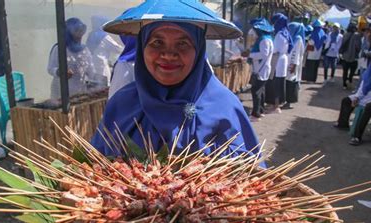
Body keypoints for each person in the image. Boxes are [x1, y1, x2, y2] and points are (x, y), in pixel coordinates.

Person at [91, 0, 263, 159]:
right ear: (142, 46)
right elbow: (94, 169)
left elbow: (250, 180)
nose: (168, 54)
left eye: (182, 44)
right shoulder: (122, 104)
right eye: (157, 42)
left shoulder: (225, 109)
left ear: (198, 50)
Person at [47, 17, 98, 99]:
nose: (80, 35)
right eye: (76, 32)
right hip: (60, 94)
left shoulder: (85, 50)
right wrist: (60, 72)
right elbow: (50, 68)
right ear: (68, 33)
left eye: (81, 32)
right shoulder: (59, 48)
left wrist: (99, 81)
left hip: (79, 93)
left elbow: (91, 71)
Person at [86, 15, 124, 88]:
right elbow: (117, 49)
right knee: (104, 88)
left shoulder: (91, 35)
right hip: (102, 67)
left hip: (92, 67)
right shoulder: (104, 37)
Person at [265, 13, 292, 114]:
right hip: (283, 59)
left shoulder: (279, 34)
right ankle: (275, 104)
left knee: (276, 82)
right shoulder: (286, 33)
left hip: (278, 59)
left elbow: (275, 49)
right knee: (279, 81)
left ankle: (276, 106)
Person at [248, 18, 274, 121]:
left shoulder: (264, 40)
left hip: (261, 69)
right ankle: (261, 110)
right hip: (263, 69)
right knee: (261, 91)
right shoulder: (268, 38)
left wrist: (250, 55)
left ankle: (256, 114)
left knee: (256, 91)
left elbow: (263, 54)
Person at [284, 22, 305, 110]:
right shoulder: (293, 38)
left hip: (293, 64)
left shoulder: (297, 39)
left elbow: (295, 54)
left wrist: (293, 65)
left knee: (291, 81)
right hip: (290, 63)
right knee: (289, 81)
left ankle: (289, 102)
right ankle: (287, 101)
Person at [339, 23, 362, 90]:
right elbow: (358, 46)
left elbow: (342, 44)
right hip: (354, 57)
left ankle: (344, 85)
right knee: (352, 71)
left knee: (345, 71)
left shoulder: (345, 34)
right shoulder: (357, 36)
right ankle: (350, 81)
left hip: (345, 56)